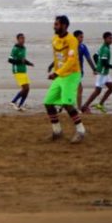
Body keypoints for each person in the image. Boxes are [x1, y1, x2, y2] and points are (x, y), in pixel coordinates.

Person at [43, 15, 86, 143]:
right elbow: (57, 57)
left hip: (72, 74)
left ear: (64, 26)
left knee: (67, 104)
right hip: (59, 75)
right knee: (48, 102)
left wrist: (57, 73)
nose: (54, 26)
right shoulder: (54, 39)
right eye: (54, 24)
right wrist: (54, 70)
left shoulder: (72, 40)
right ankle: (57, 131)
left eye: (57, 24)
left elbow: (71, 61)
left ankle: (81, 131)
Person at [81, 32, 112, 113]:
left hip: (105, 73)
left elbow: (95, 56)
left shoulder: (104, 47)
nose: (111, 40)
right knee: (97, 91)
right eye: (110, 38)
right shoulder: (105, 49)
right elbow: (104, 62)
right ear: (105, 39)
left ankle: (100, 104)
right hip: (102, 73)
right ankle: (85, 106)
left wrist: (97, 66)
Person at [8, 33, 34, 111]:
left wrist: (29, 63)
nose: (23, 40)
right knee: (25, 88)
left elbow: (23, 59)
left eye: (23, 38)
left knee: (27, 89)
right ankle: (13, 101)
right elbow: (10, 60)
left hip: (23, 70)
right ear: (18, 39)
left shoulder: (24, 48)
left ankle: (20, 105)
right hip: (17, 70)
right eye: (21, 38)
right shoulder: (15, 48)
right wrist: (19, 61)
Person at [73, 30, 97, 109]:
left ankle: (66, 105)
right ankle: (79, 108)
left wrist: (94, 68)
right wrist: (94, 69)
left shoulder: (83, 47)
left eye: (82, 37)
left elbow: (88, 58)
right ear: (75, 37)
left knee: (74, 89)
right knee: (79, 89)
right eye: (80, 37)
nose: (82, 39)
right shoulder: (71, 47)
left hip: (79, 71)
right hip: (72, 71)